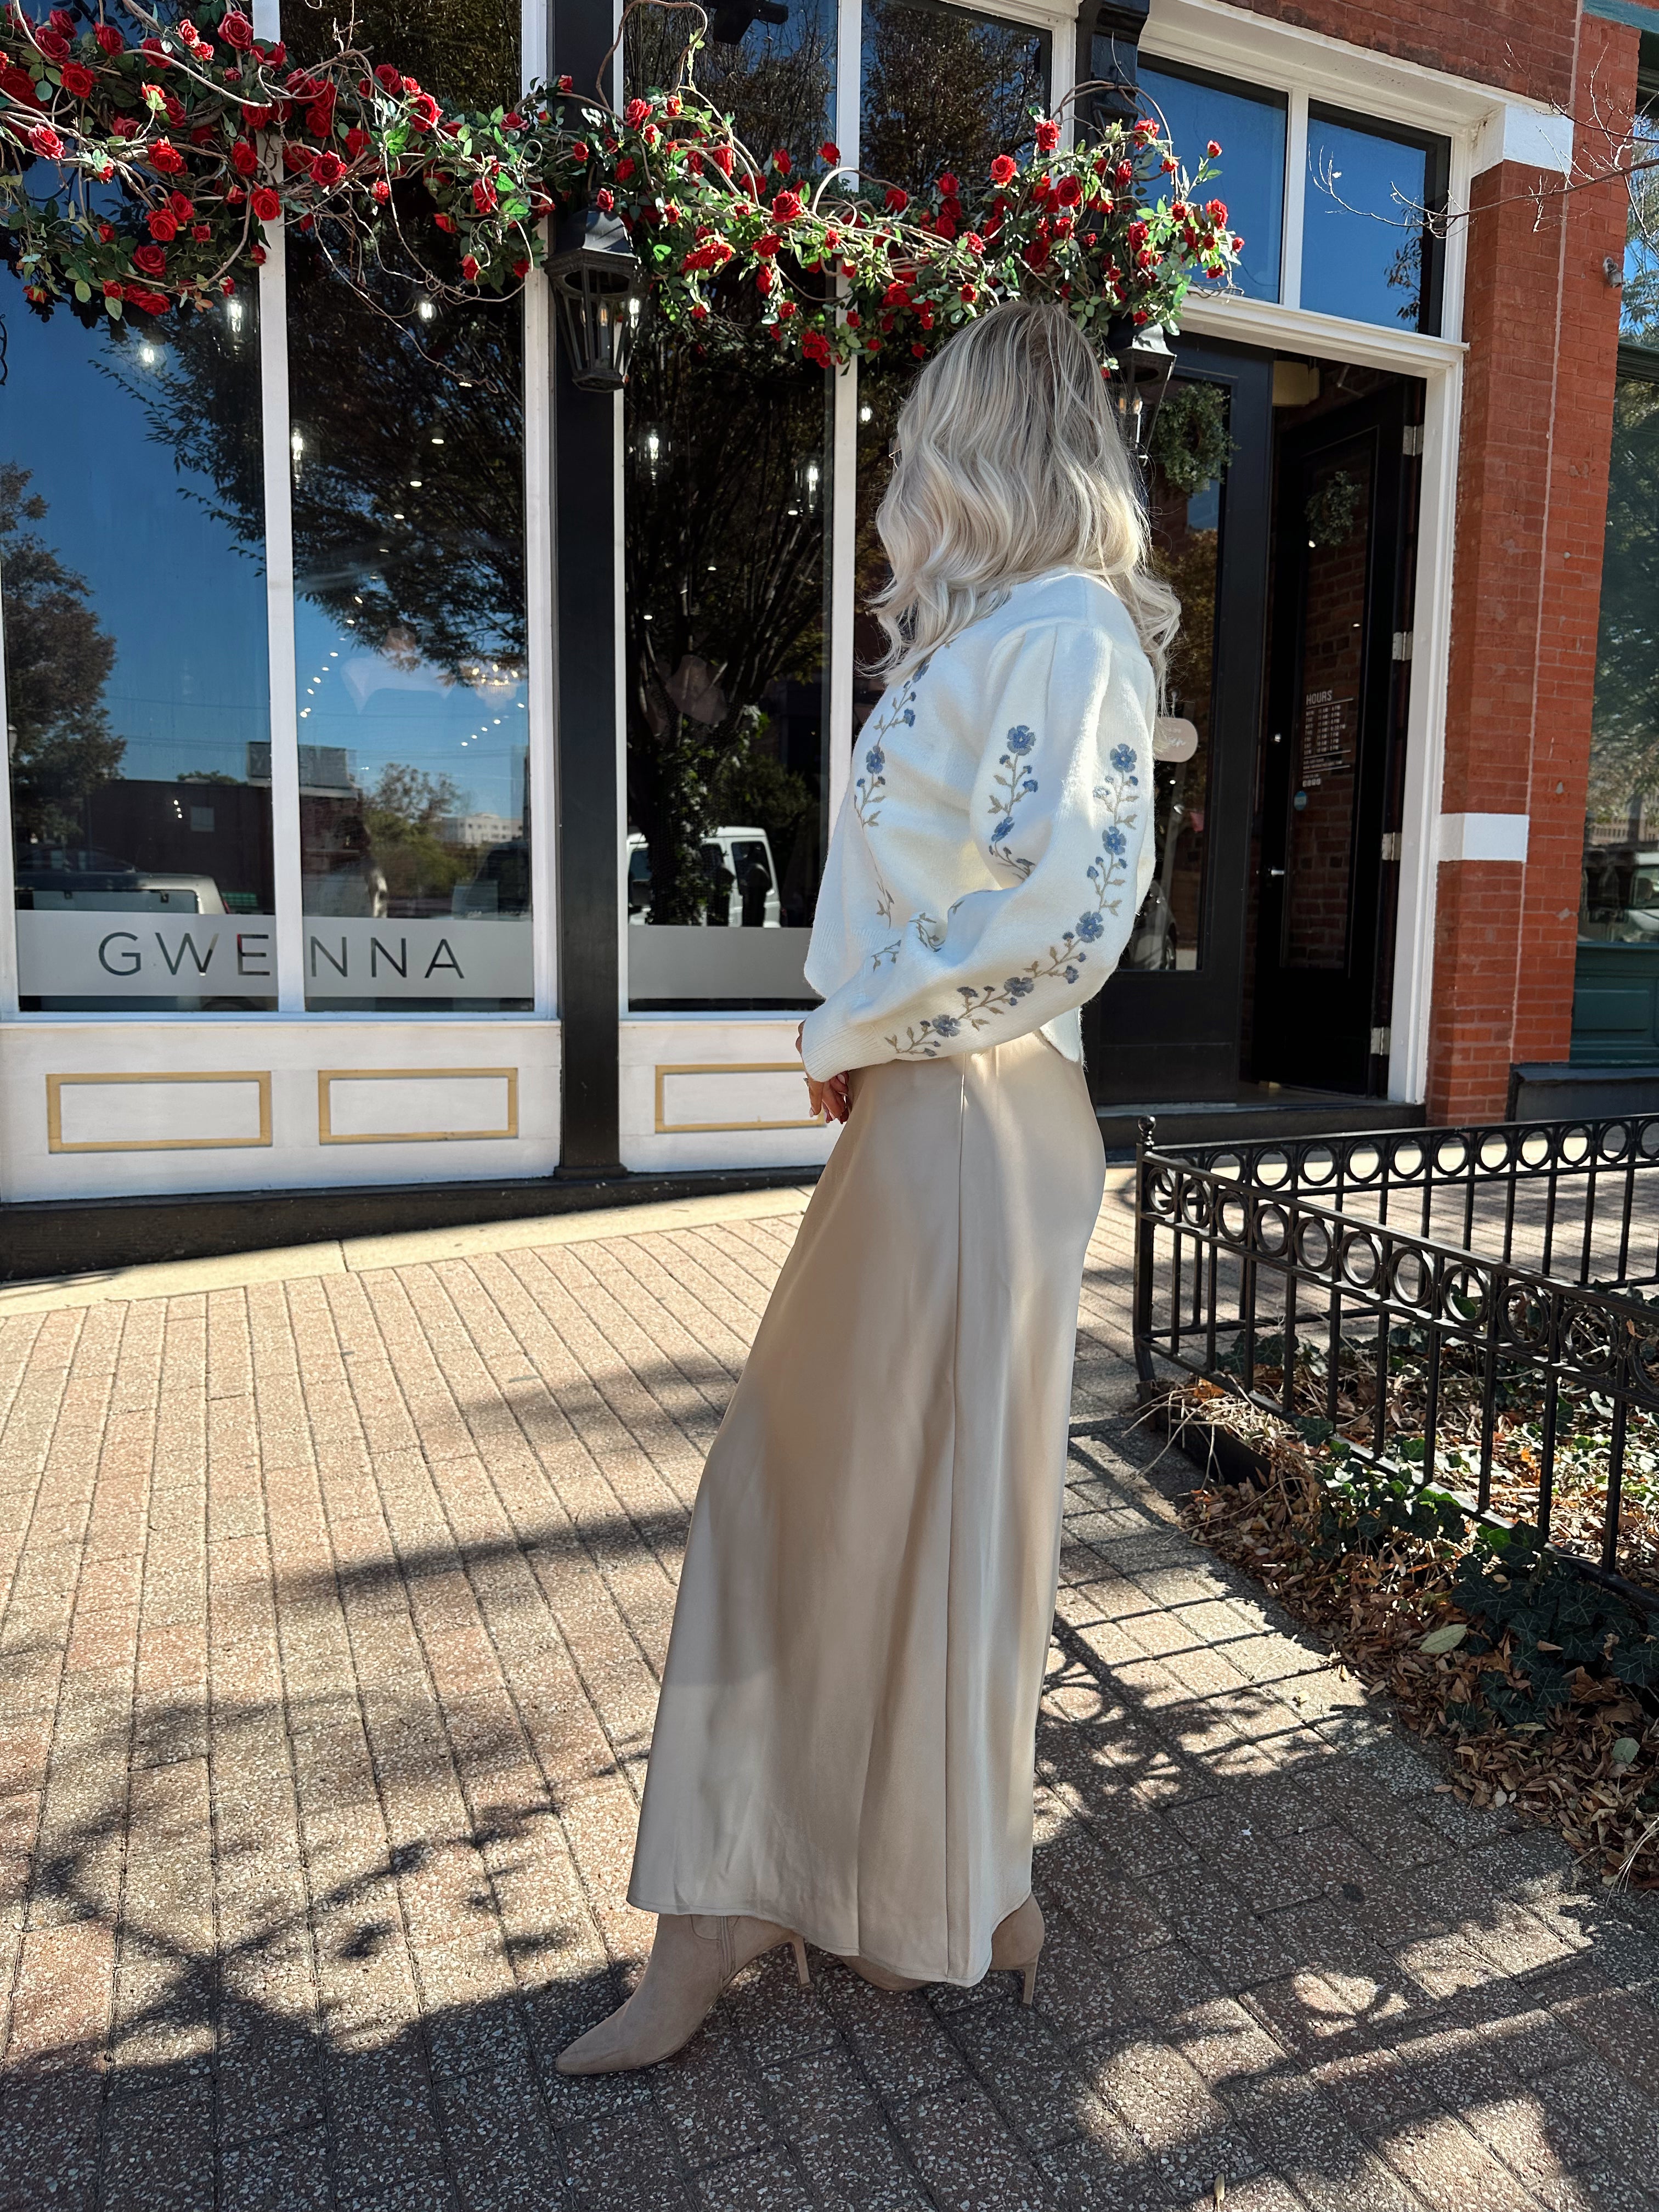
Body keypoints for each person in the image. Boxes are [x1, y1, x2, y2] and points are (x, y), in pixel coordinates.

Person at [556, 300, 1175, 2075]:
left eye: (921, 436)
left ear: (984, 446)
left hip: (968, 1116)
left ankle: (777, 1906)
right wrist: (868, 1026)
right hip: (944, 1111)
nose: (898, 469)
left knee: (816, 1495)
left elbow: (1074, 910)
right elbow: (977, 895)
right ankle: (929, 1893)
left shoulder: (1063, 633)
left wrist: (872, 1019)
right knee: (890, 1513)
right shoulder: (1016, 635)